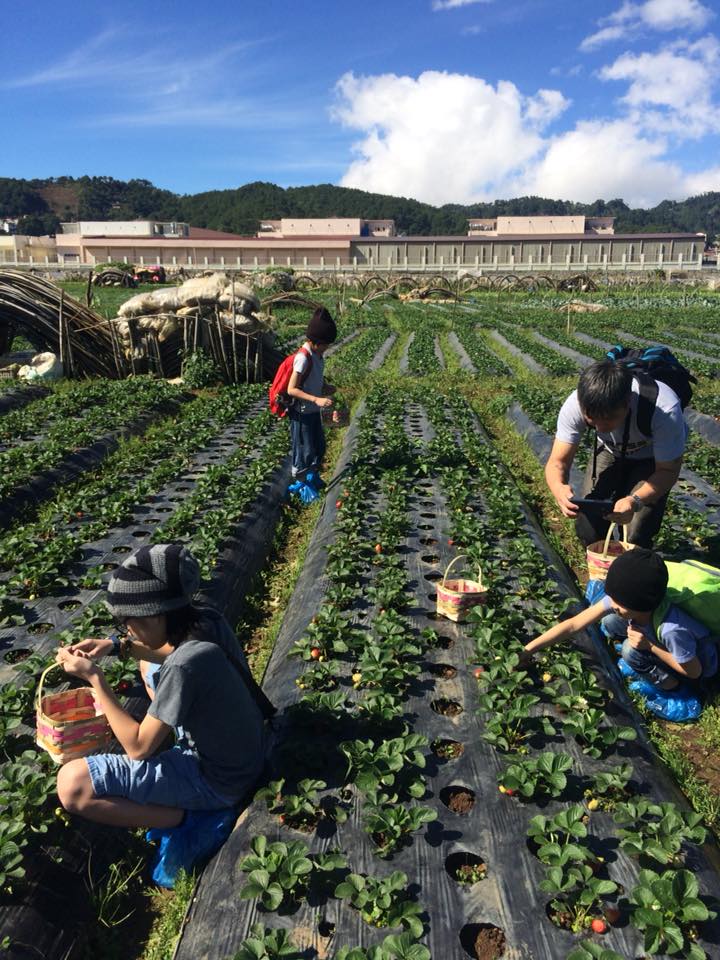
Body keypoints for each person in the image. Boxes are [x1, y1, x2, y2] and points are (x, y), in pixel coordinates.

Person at [54, 544, 268, 831]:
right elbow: (163, 651)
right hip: (245, 756)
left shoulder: (181, 667)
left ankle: (190, 820)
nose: (126, 629)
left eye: (125, 621)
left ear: (154, 615)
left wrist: (95, 678)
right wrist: (115, 646)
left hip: (219, 782)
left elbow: (138, 748)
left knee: (73, 785)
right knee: (149, 667)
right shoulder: (206, 622)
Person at [523, 548, 717, 696]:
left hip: (697, 668)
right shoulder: (629, 600)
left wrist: (649, 646)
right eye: (612, 598)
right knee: (610, 620)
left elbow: (694, 671)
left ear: (641, 605)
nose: (612, 604)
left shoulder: (671, 630)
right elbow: (574, 624)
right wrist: (529, 650)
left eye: (619, 602)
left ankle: (672, 687)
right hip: (659, 637)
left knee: (630, 652)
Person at [545, 359, 687, 547]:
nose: (601, 428)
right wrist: (559, 488)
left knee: (637, 530)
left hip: (651, 460)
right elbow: (558, 462)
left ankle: (632, 569)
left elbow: (668, 471)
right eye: (593, 420)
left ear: (627, 402)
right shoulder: (575, 405)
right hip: (610, 451)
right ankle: (602, 568)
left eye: (608, 419)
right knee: (589, 526)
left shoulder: (664, 409)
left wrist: (634, 500)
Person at [286, 307, 337, 497]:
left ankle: (312, 477)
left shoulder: (317, 356)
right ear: (316, 342)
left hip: (313, 411)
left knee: (319, 446)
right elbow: (292, 389)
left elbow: (313, 380)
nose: (328, 347)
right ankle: (300, 487)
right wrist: (316, 398)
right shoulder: (302, 358)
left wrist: (325, 388)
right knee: (304, 450)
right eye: (326, 344)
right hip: (301, 414)